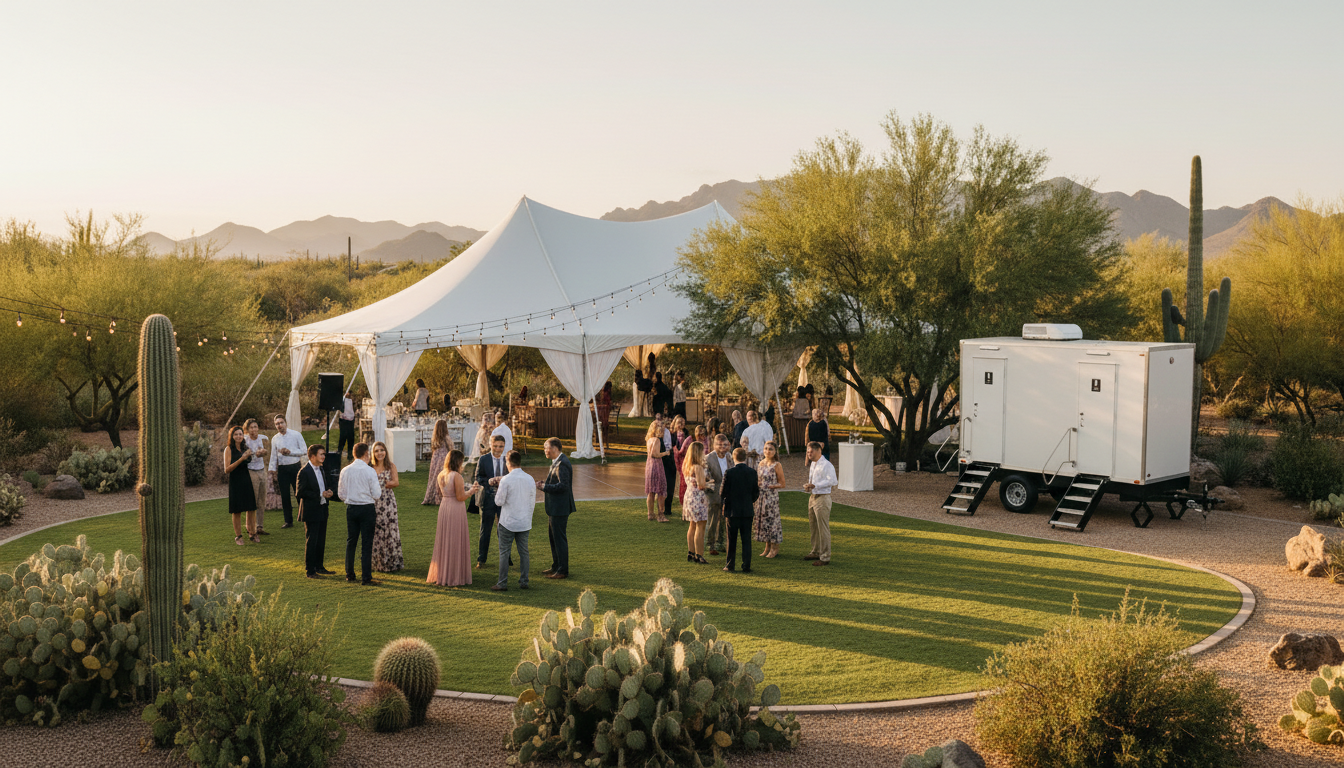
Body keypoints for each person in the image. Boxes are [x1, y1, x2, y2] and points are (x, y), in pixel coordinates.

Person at [428, 449, 478, 587]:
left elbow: (439, 493)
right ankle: (454, 575)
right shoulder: (456, 476)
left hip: (444, 506)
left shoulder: (441, 474)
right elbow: (460, 497)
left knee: (445, 540)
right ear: (458, 461)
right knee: (455, 539)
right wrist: (472, 491)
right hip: (455, 508)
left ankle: (444, 572)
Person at [338, 442, 383, 585]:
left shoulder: (345, 470)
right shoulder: (370, 471)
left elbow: (341, 494)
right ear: (366, 454)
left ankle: (349, 574)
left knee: (351, 541)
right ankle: (366, 577)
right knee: (366, 543)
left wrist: (351, 498)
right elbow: (376, 494)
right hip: (366, 508)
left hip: (351, 508)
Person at [491, 450, 534, 591]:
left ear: (508, 462)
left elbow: (498, 502)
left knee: (504, 552)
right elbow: (532, 501)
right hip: (524, 521)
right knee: (524, 552)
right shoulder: (530, 479)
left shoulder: (506, 480)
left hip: (507, 522)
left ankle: (502, 583)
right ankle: (524, 581)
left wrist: (496, 489)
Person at [295, 444, 335, 578]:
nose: (324, 456)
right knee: (312, 539)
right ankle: (310, 570)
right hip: (311, 510)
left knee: (321, 539)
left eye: (324, 454)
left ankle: (320, 566)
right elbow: (300, 493)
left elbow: (323, 485)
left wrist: (328, 492)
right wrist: (320, 494)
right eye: (321, 454)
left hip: (323, 508)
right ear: (312, 456)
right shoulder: (304, 471)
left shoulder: (322, 469)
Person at [537, 437, 574, 579]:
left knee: (559, 539)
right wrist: (544, 484)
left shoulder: (562, 463)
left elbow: (563, 486)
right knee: (553, 538)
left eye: (546, 447)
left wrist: (544, 487)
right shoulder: (557, 461)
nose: (545, 450)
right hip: (555, 508)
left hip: (559, 508)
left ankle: (562, 570)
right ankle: (556, 566)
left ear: (555, 448)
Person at [720, 448, 759, 573]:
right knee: (746, 539)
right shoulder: (752, 472)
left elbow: (722, 492)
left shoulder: (729, 472)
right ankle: (746, 565)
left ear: (733, 457)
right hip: (747, 510)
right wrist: (749, 501)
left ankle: (730, 564)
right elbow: (756, 493)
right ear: (745, 458)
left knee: (732, 539)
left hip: (732, 510)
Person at [475, 434, 511, 567]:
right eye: (495, 446)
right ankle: (482, 559)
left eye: (501, 446)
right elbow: (478, 477)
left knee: (504, 529)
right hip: (488, 499)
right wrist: (489, 482)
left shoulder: (508, 459)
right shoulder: (483, 459)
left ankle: (507, 558)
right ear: (491, 444)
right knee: (486, 529)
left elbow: (512, 476)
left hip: (504, 500)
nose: (498, 449)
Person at [369, 442, 404, 572]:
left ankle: (392, 561)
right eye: (377, 451)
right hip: (374, 502)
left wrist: (385, 483)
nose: (380, 453)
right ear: (373, 453)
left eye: (382, 450)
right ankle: (378, 562)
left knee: (390, 529)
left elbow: (396, 482)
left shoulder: (390, 466)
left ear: (385, 452)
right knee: (377, 530)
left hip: (388, 501)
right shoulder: (370, 467)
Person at [268, 415, 306, 529]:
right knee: (284, 496)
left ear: (286, 423)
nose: (279, 425)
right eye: (277, 424)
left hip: (295, 467)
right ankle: (288, 521)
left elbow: (304, 450)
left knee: (299, 493)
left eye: (281, 422)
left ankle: (304, 517)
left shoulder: (296, 434)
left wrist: (290, 452)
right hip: (282, 469)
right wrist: (272, 470)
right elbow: (273, 456)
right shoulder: (275, 438)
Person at [803, 441, 837, 567]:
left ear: (818, 451)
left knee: (823, 528)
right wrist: (809, 486)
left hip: (823, 498)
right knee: (813, 527)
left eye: (811, 451)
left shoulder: (827, 465)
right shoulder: (813, 464)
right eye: (807, 452)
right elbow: (814, 480)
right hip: (813, 497)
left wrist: (816, 485)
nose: (809, 454)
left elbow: (833, 481)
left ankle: (825, 556)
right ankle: (815, 551)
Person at [224, 426, 259, 545]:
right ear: (232, 436)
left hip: (246, 479)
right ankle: (238, 536)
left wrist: (251, 455)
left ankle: (252, 533)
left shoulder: (245, 447)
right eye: (236, 434)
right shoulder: (228, 449)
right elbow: (227, 469)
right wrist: (241, 458)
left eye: (240, 434)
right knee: (237, 510)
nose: (238, 436)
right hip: (235, 481)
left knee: (251, 507)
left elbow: (249, 461)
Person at [754, 441, 786, 558]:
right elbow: (758, 479)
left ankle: (774, 547)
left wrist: (771, 485)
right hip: (761, 496)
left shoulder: (777, 465)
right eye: (766, 448)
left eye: (770, 449)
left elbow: (782, 484)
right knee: (764, 521)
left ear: (775, 451)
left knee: (773, 521)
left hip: (771, 496)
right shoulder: (761, 463)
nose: (768, 451)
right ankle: (767, 546)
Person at [681, 441, 709, 564]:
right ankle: (699, 554)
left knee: (692, 525)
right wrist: (710, 483)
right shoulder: (697, 467)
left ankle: (691, 552)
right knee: (700, 526)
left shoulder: (687, 465)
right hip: (698, 498)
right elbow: (701, 485)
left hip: (689, 497)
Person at [242, 419, 271, 535]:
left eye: (255, 426)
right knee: (252, 500)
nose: (254, 429)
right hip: (251, 471)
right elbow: (244, 455)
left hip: (261, 470)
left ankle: (260, 527)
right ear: (247, 429)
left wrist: (264, 452)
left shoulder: (262, 438)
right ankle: (250, 526)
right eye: (251, 427)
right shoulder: (244, 440)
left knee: (261, 499)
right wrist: (255, 454)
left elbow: (265, 451)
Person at [703, 434, 730, 556]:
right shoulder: (708, 458)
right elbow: (705, 478)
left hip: (728, 494)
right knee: (713, 520)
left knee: (725, 520)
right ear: (714, 445)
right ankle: (711, 544)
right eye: (720, 445)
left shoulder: (730, 456)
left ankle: (721, 543)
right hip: (713, 494)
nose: (723, 447)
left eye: (725, 445)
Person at [422, 419, 454, 505]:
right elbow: (451, 448)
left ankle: (430, 496)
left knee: (433, 477)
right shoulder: (446, 437)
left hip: (435, 458)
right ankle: (440, 497)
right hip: (444, 458)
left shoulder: (435, 438)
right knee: (443, 478)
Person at [644, 421, 669, 523]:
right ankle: (661, 515)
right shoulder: (657, 440)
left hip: (649, 466)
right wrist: (666, 453)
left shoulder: (649, 439)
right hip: (657, 466)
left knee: (651, 491)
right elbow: (655, 454)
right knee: (661, 491)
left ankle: (650, 513)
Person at [657, 413, 677, 519]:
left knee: (670, 485)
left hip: (670, 461)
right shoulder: (656, 435)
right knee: (661, 487)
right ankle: (661, 509)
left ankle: (668, 509)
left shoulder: (670, 433)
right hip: (661, 461)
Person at [669, 415, 691, 506]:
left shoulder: (686, 433)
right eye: (679, 423)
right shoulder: (672, 434)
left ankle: (683, 496)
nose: (681, 425)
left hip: (684, 458)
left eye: (682, 423)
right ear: (675, 424)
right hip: (673, 458)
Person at [338, 392, 357, 460]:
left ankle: (350, 455)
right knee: (342, 437)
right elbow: (341, 408)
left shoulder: (352, 399)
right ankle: (339, 453)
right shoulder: (342, 399)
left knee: (350, 438)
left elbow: (355, 407)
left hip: (351, 420)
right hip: (343, 420)